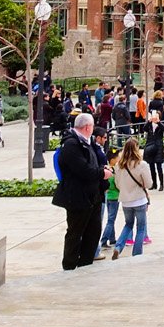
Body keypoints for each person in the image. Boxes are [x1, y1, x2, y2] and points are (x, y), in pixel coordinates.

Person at [53, 113, 105, 270]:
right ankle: (70, 267)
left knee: (93, 232)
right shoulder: (71, 145)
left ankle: (85, 265)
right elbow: (83, 170)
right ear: (88, 127)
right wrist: (102, 173)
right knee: (75, 233)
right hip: (77, 197)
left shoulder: (86, 143)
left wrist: (101, 170)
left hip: (92, 196)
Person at [110, 137, 152, 258]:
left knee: (128, 224)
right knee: (141, 227)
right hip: (139, 199)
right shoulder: (142, 165)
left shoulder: (119, 165)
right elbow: (149, 184)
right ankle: (137, 254)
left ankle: (118, 246)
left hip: (125, 201)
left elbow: (118, 184)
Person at [143, 111, 164, 190]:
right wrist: (149, 122)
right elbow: (144, 129)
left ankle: (161, 184)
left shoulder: (160, 125)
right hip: (150, 147)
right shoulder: (149, 126)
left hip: (158, 147)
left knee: (159, 167)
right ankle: (154, 183)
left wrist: (158, 122)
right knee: (151, 167)